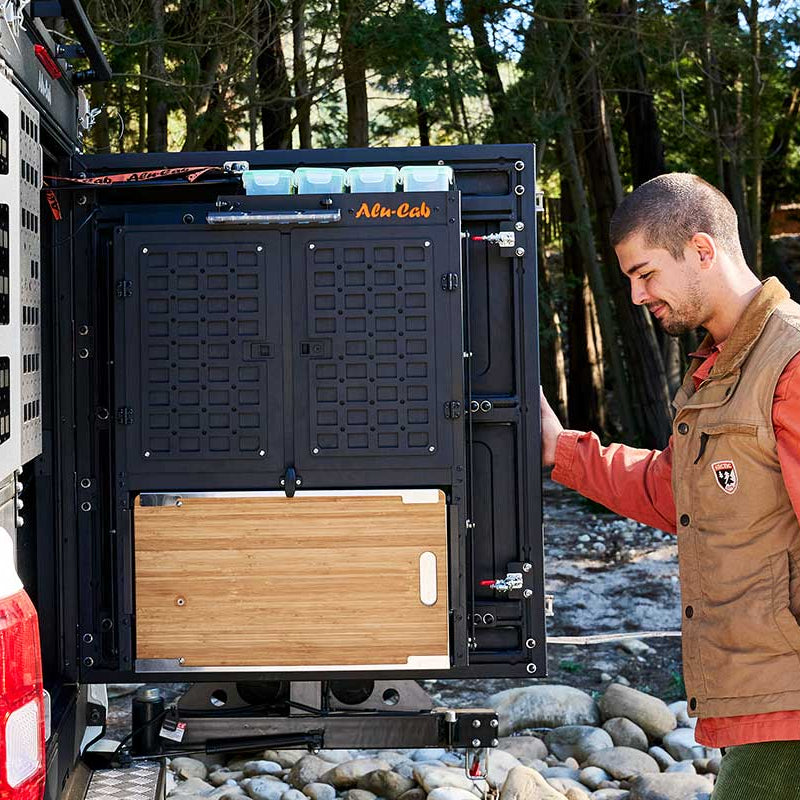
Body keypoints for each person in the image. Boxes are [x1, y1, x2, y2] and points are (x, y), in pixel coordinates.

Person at [540, 173, 800, 798]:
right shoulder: (722, 365)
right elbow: (679, 491)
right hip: (765, 705)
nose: (635, 294)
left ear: (703, 250)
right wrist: (560, 452)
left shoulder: (789, 361)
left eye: (645, 273)